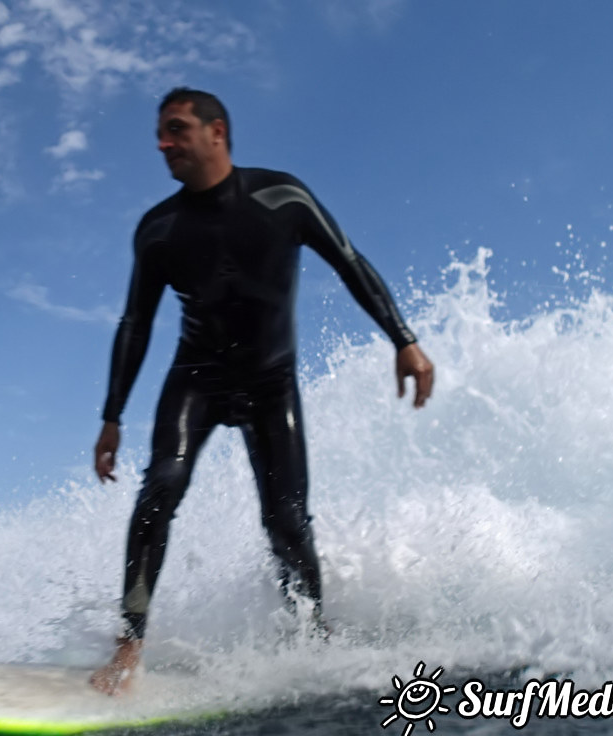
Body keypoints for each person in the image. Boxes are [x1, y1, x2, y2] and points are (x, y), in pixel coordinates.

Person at [89, 88, 434, 696]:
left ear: (216, 131)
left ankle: (312, 638)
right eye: (160, 134)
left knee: (286, 520)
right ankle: (128, 647)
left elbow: (350, 262)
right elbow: (134, 323)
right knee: (161, 486)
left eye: (176, 130)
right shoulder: (159, 229)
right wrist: (112, 416)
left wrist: (403, 339)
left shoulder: (283, 196)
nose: (163, 144)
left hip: (271, 382)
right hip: (197, 379)